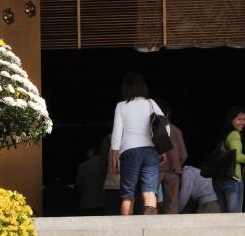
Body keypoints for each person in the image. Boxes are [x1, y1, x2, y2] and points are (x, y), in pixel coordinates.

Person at [109, 71, 165, 216]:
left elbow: (117, 134)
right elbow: (165, 127)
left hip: (129, 152)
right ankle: (150, 222)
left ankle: (127, 227)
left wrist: (114, 158)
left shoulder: (121, 106)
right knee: (149, 191)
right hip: (150, 151)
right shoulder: (151, 103)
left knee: (128, 195)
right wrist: (162, 150)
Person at [213, 106, 245, 213]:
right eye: (239, 119)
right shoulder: (234, 134)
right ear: (231, 119)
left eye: (244, 119)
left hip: (219, 180)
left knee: (224, 215)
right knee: (235, 216)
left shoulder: (223, 136)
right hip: (232, 179)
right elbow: (236, 156)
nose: (242, 122)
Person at [155, 99, 187, 215]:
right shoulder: (176, 130)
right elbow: (183, 154)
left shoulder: (151, 129)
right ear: (168, 113)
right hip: (173, 170)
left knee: (150, 201)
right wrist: (177, 163)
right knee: (172, 205)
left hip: (155, 169)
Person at [75, 147, 105, 215]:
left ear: (90, 152)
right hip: (104, 204)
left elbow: (79, 188)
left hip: (87, 203)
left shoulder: (82, 166)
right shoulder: (107, 164)